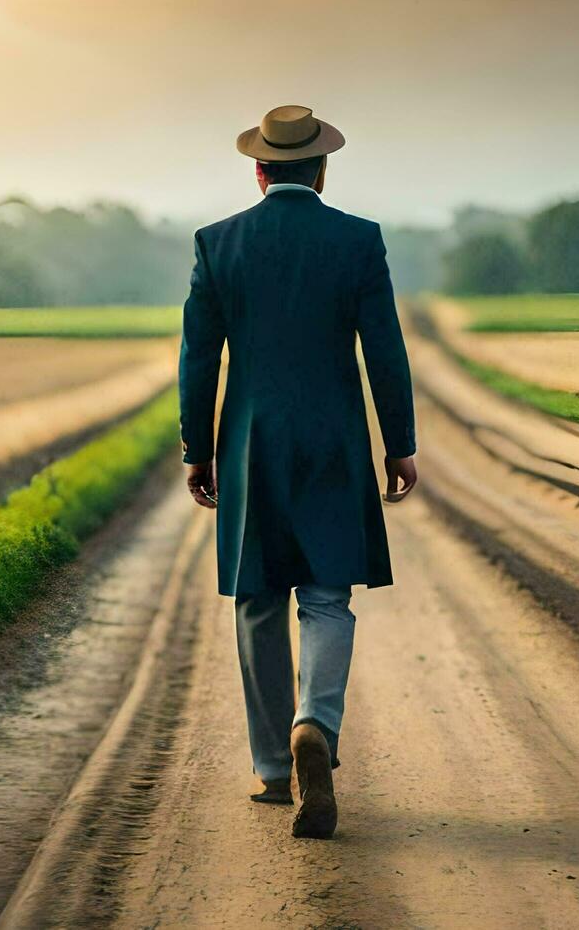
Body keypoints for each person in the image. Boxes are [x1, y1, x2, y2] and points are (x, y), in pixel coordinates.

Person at [178, 104, 417, 839]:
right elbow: (384, 348)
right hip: (334, 440)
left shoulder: (218, 244)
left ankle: (276, 770)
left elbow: (198, 356)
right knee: (324, 596)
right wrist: (398, 442)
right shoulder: (357, 240)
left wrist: (198, 449)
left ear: (259, 171)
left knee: (257, 599)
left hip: (250, 440)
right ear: (321, 170)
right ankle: (315, 721)